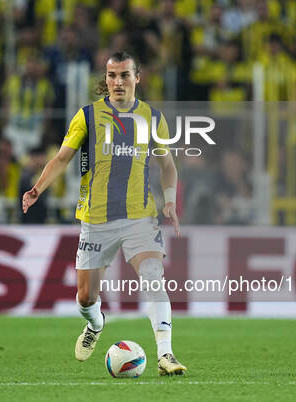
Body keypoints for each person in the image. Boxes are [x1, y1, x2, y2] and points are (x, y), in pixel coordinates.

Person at [22, 51, 186, 376]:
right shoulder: (87, 116)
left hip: (140, 216)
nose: (118, 82)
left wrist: (169, 200)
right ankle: (96, 324)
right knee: (85, 297)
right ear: (105, 79)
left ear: (137, 78)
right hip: (96, 219)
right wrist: (37, 188)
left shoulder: (153, 118)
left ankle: (166, 355)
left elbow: (167, 165)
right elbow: (61, 159)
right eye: (112, 75)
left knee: (154, 277)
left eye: (125, 75)